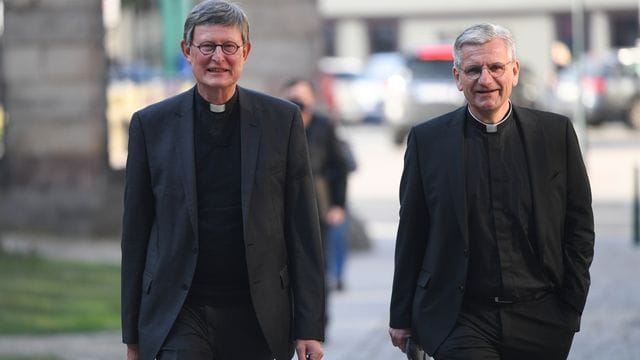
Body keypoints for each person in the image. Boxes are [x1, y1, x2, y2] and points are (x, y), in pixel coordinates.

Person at [120, 2, 325, 360]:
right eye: (207, 46)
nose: (218, 58)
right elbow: (135, 235)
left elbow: (303, 229)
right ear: (187, 51)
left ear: (245, 52)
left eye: (229, 47)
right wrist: (132, 335)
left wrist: (309, 327)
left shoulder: (283, 121)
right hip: (180, 311)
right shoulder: (150, 126)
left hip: (256, 312)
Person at [389, 23, 594, 360]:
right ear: (457, 77)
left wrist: (571, 303)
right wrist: (401, 315)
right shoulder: (428, 142)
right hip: (461, 316)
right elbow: (412, 229)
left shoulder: (555, 134)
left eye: (496, 67)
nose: (485, 80)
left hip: (541, 316)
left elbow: (579, 224)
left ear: (513, 72)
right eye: (473, 70)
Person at [281, 78, 350, 292]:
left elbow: (340, 166)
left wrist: (338, 204)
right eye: (292, 101)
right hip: (285, 206)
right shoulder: (278, 126)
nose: (298, 107)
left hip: (318, 204)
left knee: (319, 263)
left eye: (302, 101)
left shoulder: (323, 126)